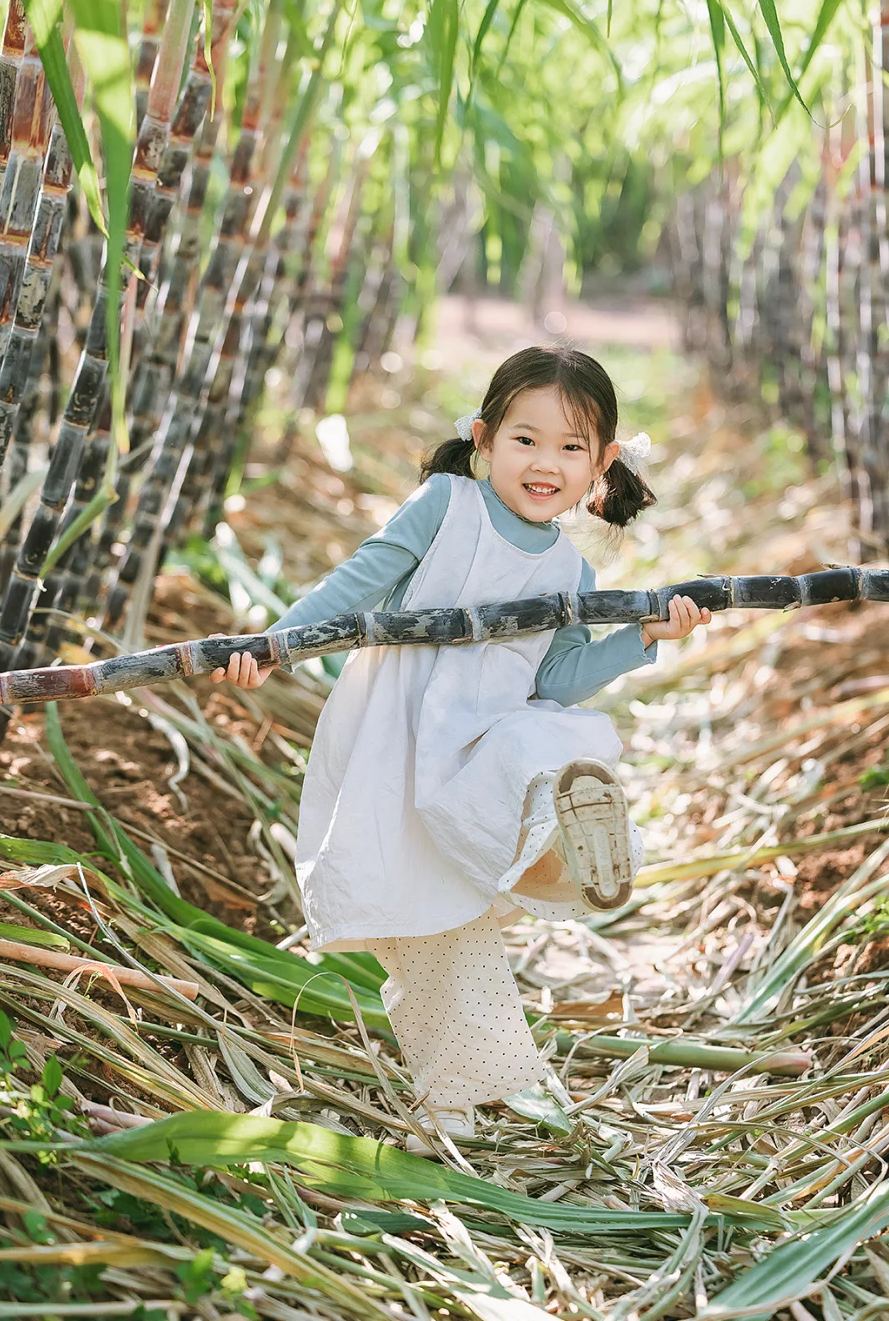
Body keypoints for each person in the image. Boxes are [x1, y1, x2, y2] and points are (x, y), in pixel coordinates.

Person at [210, 344, 710, 1153]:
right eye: (525, 439)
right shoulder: (447, 508)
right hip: (402, 743)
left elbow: (560, 677)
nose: (545, 462)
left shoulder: (571, 568)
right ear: (483, 439)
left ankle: (563, 838)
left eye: (571, 447)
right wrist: (273, 644)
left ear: (603, 465)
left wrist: (640, 636)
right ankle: (449, 1100)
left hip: (491, 741)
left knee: (548, 736)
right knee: (427, 920)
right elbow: (356, 584)